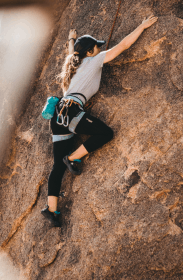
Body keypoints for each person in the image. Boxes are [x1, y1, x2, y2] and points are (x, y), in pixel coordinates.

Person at [41, 15, 158, 227]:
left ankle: (52, 210)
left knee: (56, 167)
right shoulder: (94, 60)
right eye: (97, 46)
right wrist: (141, 26)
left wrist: (71, 41)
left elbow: (72, 55)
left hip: (59, 114)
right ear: (90, 52)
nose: (99, 49)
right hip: (71, 110)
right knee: (105, 134)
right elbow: (123, 45)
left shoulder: (72, 69)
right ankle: (73, 158)